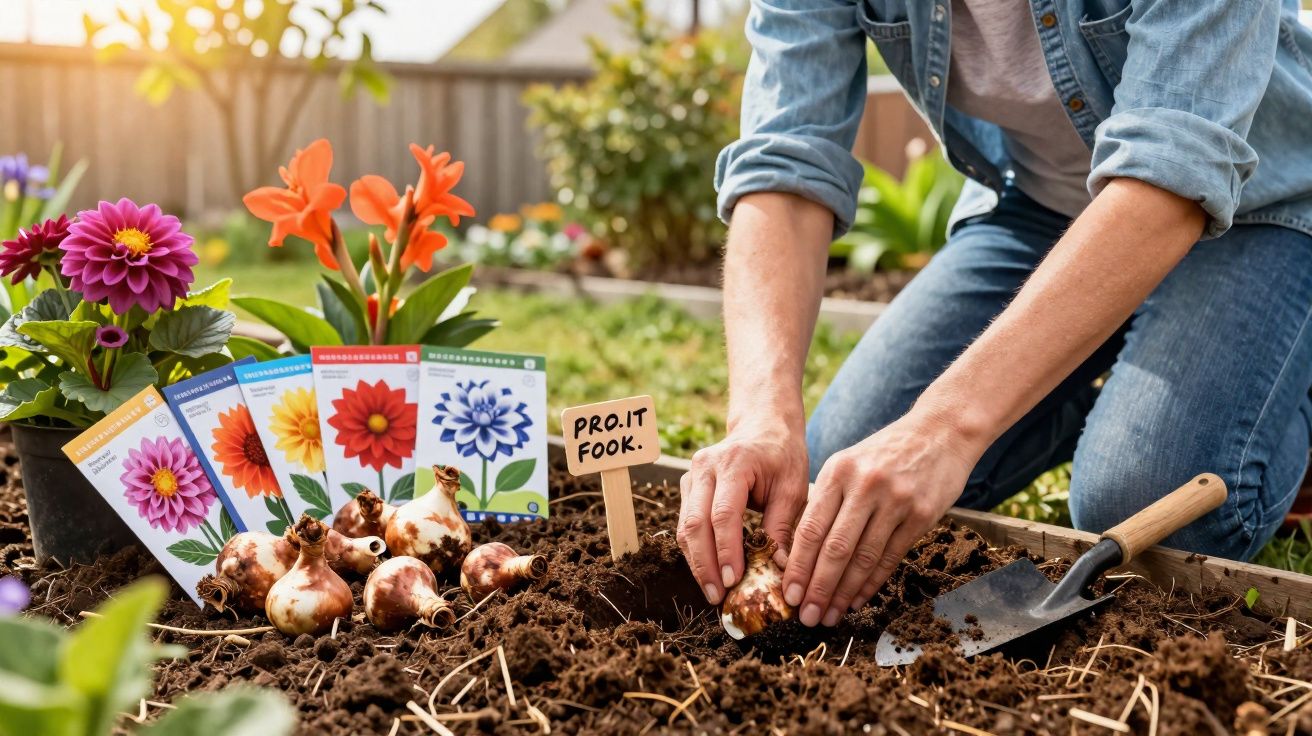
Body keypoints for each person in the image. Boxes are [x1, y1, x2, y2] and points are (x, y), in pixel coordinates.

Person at [677, 0, 1312, 630]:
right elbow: (785, 160)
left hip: (1266, 205)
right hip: (1044, 204)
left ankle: (1268, 396)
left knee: (1144, 501)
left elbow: (1175, 167)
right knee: (841, 473)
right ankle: (1132, 378)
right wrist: (760, 415)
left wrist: (943, 429)